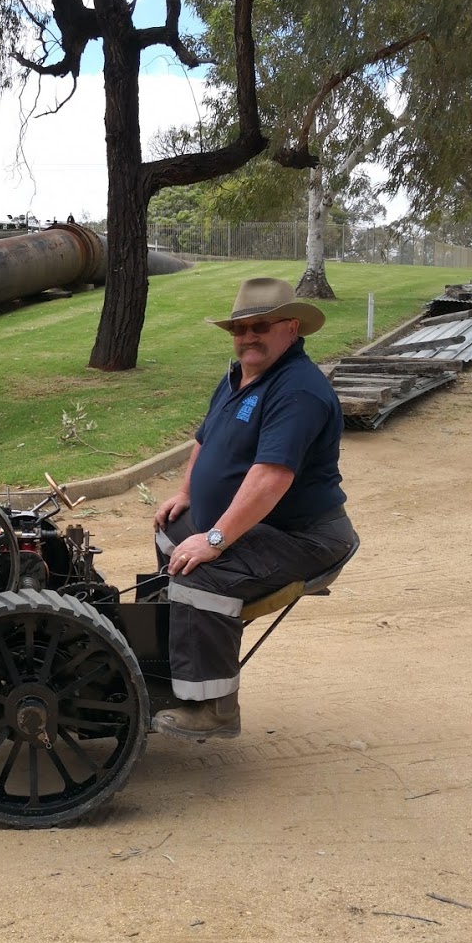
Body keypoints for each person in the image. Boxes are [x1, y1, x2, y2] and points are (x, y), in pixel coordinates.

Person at [152, 277, 357, 742]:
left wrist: (215, 539)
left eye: (259, 327)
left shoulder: (298, 390)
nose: (247, 337)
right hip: (259, 523)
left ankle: (214, 706)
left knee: (198, 575)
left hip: (302, 535)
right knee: (170, 533)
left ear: (290, 327)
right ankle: (170, 655)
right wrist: (186, 493)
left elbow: (272, 477)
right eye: (239, 329)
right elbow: (206, 441)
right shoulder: (240, 376)